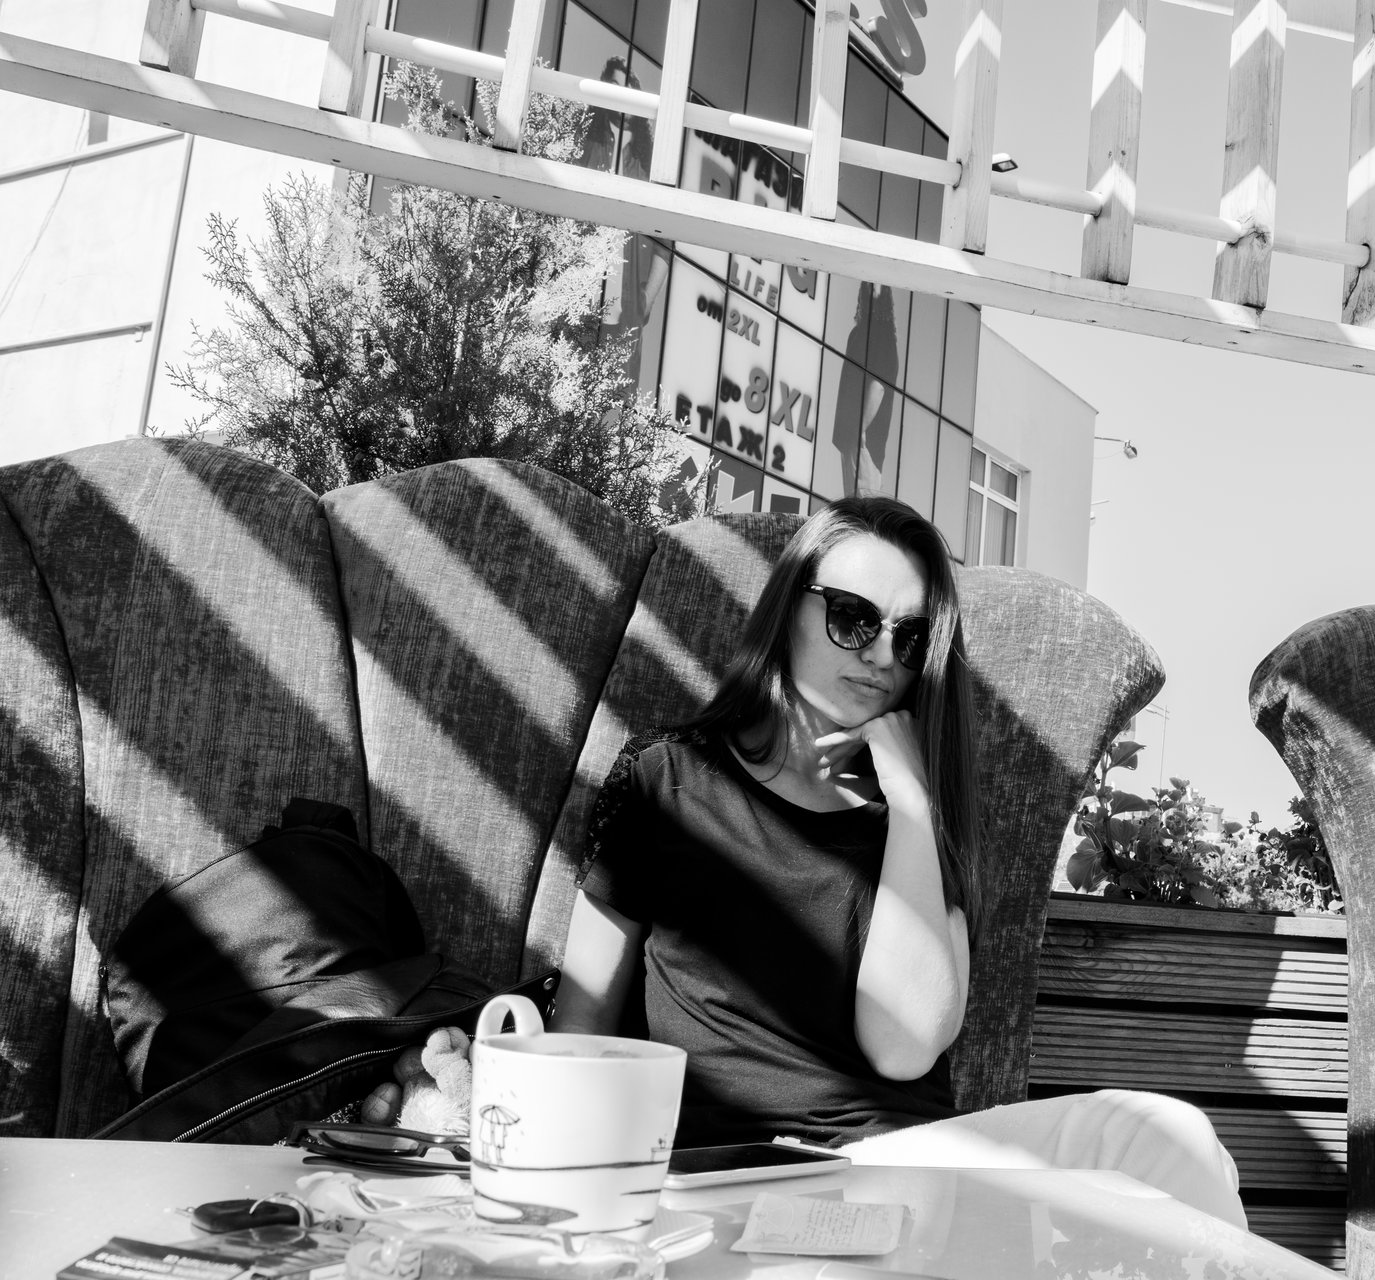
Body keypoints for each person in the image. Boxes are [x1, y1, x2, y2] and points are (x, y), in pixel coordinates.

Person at [390, 496, 1245, 1226]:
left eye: (910, 638)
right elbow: (584, 1024)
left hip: (911, 1170)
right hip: (730, 1180)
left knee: (1168, 1138)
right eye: (853, 618)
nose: (880, 655)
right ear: (787, 610)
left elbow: (904, 1047)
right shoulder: (665, 780)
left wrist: (912, 804)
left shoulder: (919, 820)